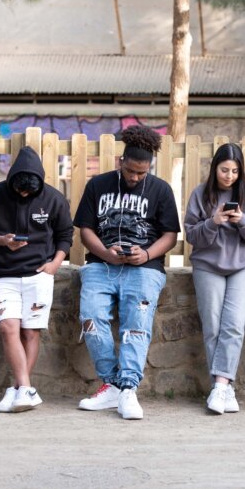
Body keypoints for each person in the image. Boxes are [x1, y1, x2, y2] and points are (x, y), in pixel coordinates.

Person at [74, 125, 179, 420]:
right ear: (121, 162)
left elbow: (170, 235)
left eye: (141, 173)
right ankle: (112, 385)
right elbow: (85, 230)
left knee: (136, 324)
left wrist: (146, 254)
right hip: (101, 265)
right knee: (91, 319)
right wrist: (105, 253)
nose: (135, 178)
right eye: (131, 171)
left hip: (145, 268)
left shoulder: (161, 189)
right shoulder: (98, 185)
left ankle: (129, 388)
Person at [0, 146, 73, 413]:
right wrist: (2, 240)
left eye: (29, 192)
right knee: (8, 328)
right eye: (20, 191)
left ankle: (18, 390)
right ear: (11, 182)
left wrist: (55, 264)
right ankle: (26, 388)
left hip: (39, 275)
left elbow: (65, 236)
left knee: (30, 332)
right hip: (3, 275)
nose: (24, 195)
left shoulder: (54, 199)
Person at [184, 143, 245, 415]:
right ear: (214, 168)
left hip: (244, 266)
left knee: (233, 324)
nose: (229, 176)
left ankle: (219, 385)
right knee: (213, 326)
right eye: (224, 170)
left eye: (234, 171)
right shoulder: (200, 195)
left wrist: (242, 220)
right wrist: (214, 221)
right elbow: (192, 236)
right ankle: (224, 388)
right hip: (208, 265)